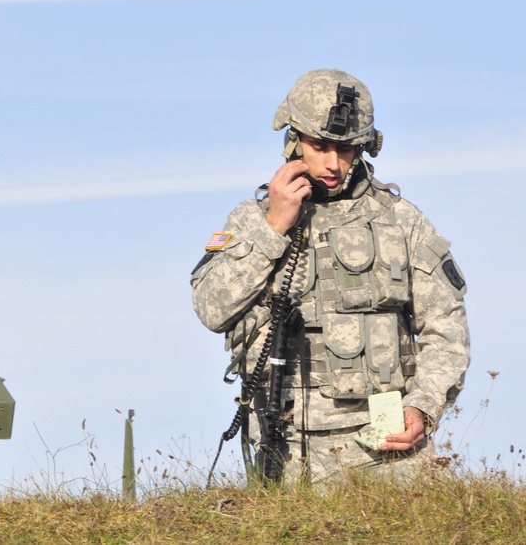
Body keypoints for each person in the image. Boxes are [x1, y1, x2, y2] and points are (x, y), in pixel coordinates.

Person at [191, 69, 470, 486]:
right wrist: (273, 228)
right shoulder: (253, 219)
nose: (332, 163)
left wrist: (422, 407)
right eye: (319, 146)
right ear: (294, 140)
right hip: (282, 450)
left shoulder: (401, 221)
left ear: (364, 148)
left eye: (346, 149)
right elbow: (212, 310)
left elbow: (447, 328)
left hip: (387, 453)